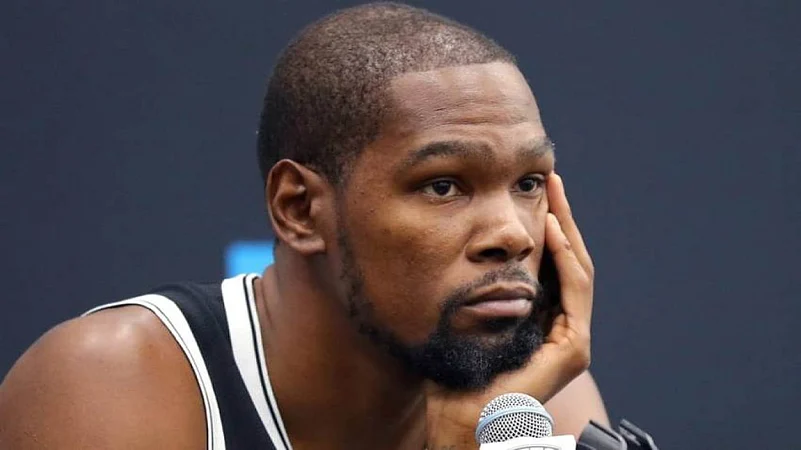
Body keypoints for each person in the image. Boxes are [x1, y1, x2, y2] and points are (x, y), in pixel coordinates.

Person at [0, 3, 608, 449]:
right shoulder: (116, 383)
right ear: (299, 208)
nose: (514, 234)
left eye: (529, 183)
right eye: (443, 186)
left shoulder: (531, 398)